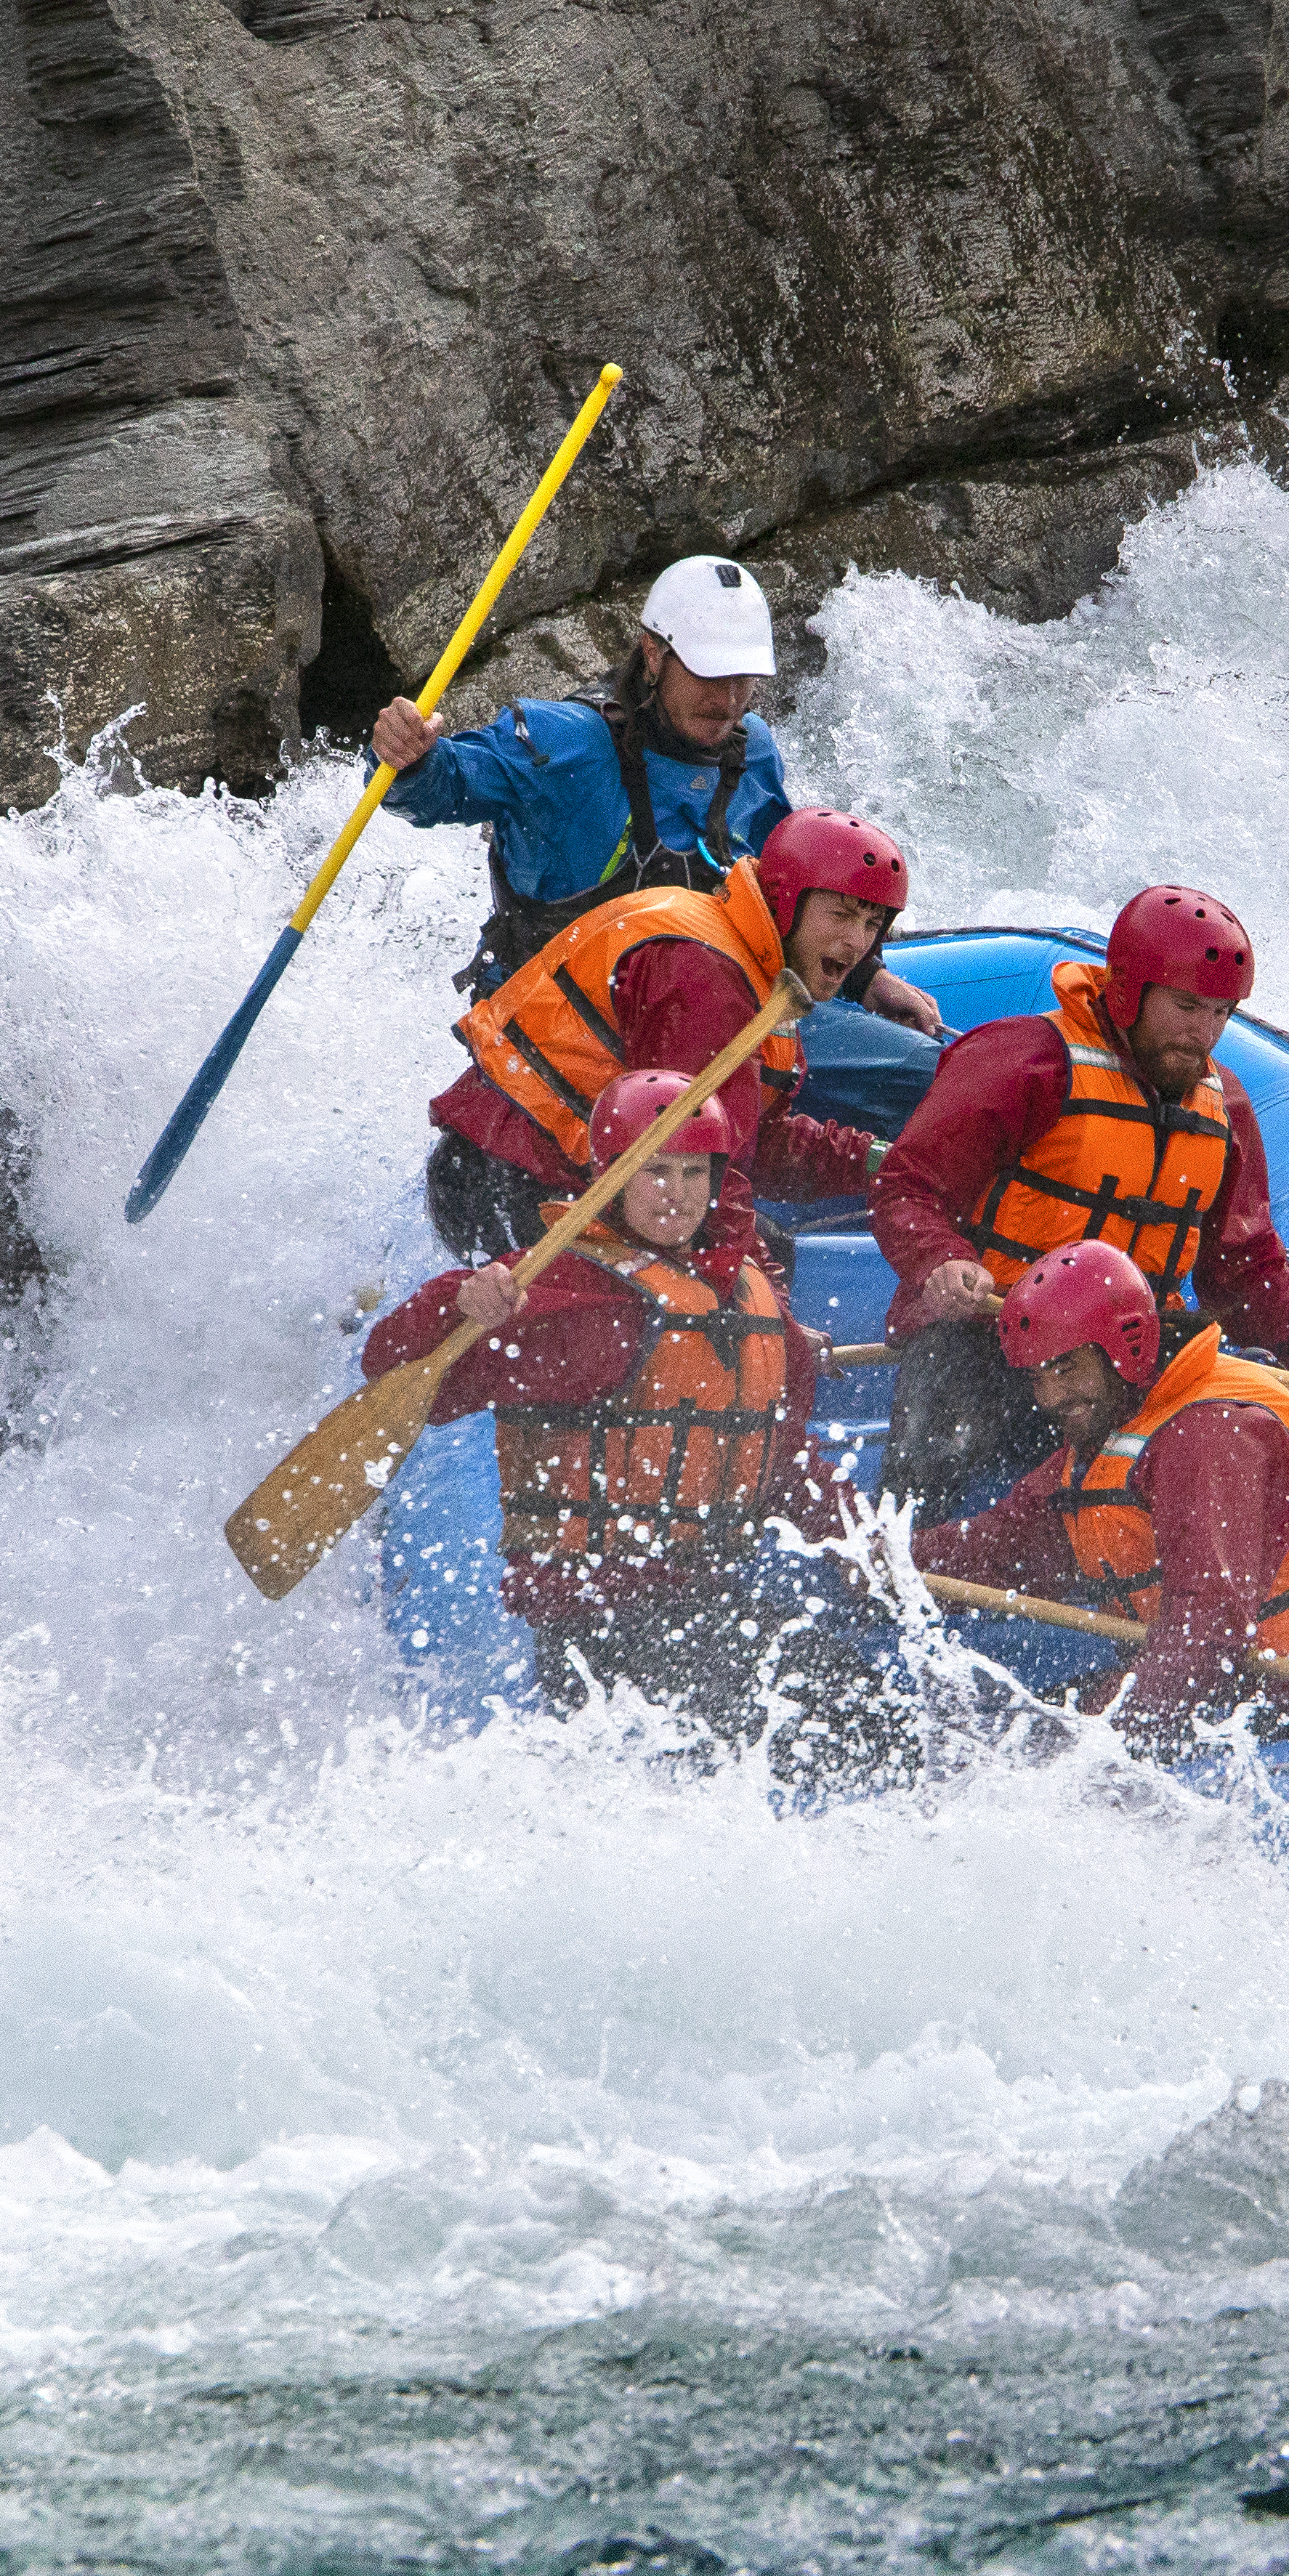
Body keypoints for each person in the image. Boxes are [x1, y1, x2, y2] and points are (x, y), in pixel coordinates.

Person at [361, 1066, 895, 1758]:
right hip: (593, 1625)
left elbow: (780, 1456)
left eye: (695, 1175)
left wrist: (853, 1534)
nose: (677, 1196)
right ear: (611, 1175)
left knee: (870, 1714)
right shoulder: (566, 1290)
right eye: (656, 1173)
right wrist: (456, 1302)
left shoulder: (752, 1298)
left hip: (706, 1604)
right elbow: (393, 1372)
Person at [868, 882, 1289, 1502]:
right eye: (1187, 1007)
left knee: (1236, 1402)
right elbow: (907, 1186)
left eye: (1221, 1013)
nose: (1204, 1033)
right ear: (1130, 991)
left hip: (1124, 1356)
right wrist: (940, 1259)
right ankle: (895, 1569)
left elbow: (1245, 1270)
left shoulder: (1227, 1111)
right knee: (930, 1451)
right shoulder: (1022, 1062)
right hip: (990, 1337)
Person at [373, 553, 945, 1034]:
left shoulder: (755, 752)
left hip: (701, 1023)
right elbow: (443, 788)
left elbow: (786, 902)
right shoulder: (565, 743)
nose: (727, 700)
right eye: (709, 675)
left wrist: (868, 978)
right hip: (563, 1035)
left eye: (742, 679)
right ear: (653, 653)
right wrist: (411, 758)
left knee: (913, 1069)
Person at [909, 1239, 1289, 1750]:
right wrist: (879, 1550)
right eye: (1037, 1377)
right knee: (978, 1738)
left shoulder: (1213, 1436)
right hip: (1227, 1685)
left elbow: (1206, 1633)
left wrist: (1089, 1753)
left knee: (1027, 1750)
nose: (1050, 1397)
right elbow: (1008, 1546)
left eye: (1066, 1369)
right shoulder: (1116, 1419)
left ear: (1122, 1349)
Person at [429, 807, 908, 1286]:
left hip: (522, 1168)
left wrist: (879, 1162)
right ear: (786, 903)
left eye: (871, 924)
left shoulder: (747, 958)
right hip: (511, 1182)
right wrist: (771, 1325)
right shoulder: (706, 980)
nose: (855, 943)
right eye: (841, 916)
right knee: (711, 1295)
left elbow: (750, 1144)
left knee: (760, 1250)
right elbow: (709, 1180)